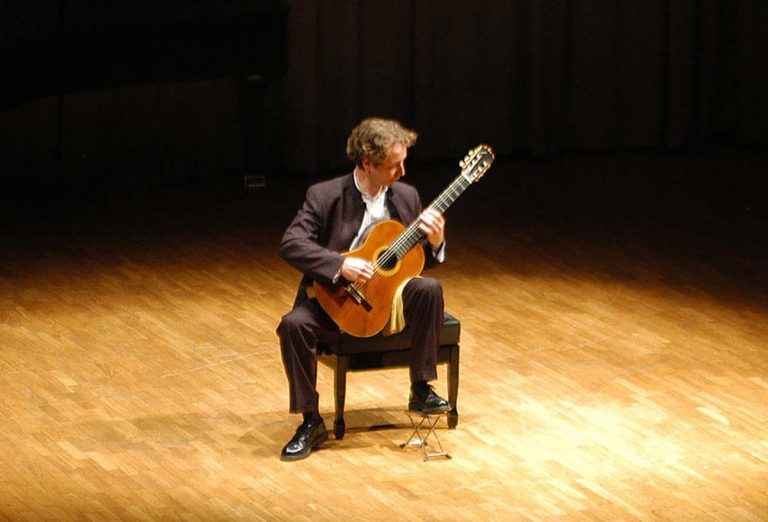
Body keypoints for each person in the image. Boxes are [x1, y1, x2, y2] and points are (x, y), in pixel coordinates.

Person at [276, 117, 451, 461]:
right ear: (367, 163)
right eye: (394, 165)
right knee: (293, 325)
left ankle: (421, 388)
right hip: (338, 298)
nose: (402, 171)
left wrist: (436, 242)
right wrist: (339, 265)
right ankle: (311, 421)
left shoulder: (406, 196)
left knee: (429, 289)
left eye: (404, 162)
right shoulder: (325, 196)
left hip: (388, 299)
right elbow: (291, 243)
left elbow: (415, 262)